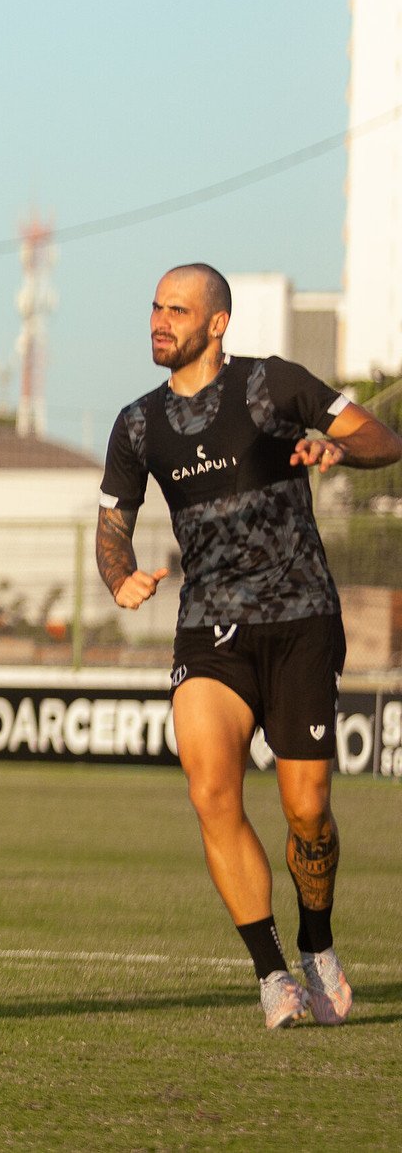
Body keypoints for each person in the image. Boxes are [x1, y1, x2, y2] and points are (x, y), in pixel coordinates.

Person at [97, 263, 401, 1029]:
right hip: (210, 628)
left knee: (308, 811)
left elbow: (379, 435)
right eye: (155, 306)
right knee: (209, 789)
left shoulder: (273, 385)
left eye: (177, 309)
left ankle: (317, 942)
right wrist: (119, 573)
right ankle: (272, 972)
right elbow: (112, 522)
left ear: (217, 322)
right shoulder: (137, 424)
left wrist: (340, 451)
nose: (160, 321)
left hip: (300, 619)